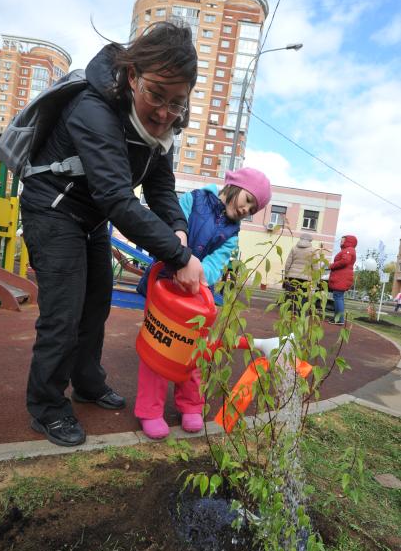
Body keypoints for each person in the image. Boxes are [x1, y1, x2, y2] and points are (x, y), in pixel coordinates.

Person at [20, 22, 206, 447]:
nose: (164, 112)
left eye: (176, 102)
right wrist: (179, 258)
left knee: (96, 306)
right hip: (53, 207)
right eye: (156, 94)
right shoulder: (94, 107)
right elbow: (118, 198)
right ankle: (46, 407)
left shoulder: (165, 128)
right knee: (63, 314)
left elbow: (159, 186)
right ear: (133, 76)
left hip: (91, 216)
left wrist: (177, 231)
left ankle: (88, 381)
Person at [134, 167, 272, 439]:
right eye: (248, 199)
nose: (247, 209)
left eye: (253, 208)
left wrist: (196, 273)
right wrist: (180, 259)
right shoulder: (194, 199)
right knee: (160, 348)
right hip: (164, 284)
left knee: (195, 353)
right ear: (233, 185)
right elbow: (173, 227)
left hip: (197, 294)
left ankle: (191, 406)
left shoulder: (232, 233)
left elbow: (216, 264)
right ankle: (149, 411)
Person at [283, 232, 318, 312]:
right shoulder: (313, 251)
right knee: (304, 296)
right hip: (306, 278)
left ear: (300, 239)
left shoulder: (294, 248)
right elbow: (315, 266)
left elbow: (288, 264)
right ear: (310, 241)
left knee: (291, 295)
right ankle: (300, 313)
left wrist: (286, 275)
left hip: (292, 276)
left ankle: (290, 313)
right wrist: (316, 279)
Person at [327, 235, 357, 325]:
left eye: (342, 240)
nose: (340, 242)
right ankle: (338, 318)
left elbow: (345, 261)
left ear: (348, 242)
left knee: (338, 297)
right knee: (339, 297)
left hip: (341, 278)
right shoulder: (348, 250)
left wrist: (331, 266)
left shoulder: (349, 250)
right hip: (342, 277)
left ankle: (339, 319)